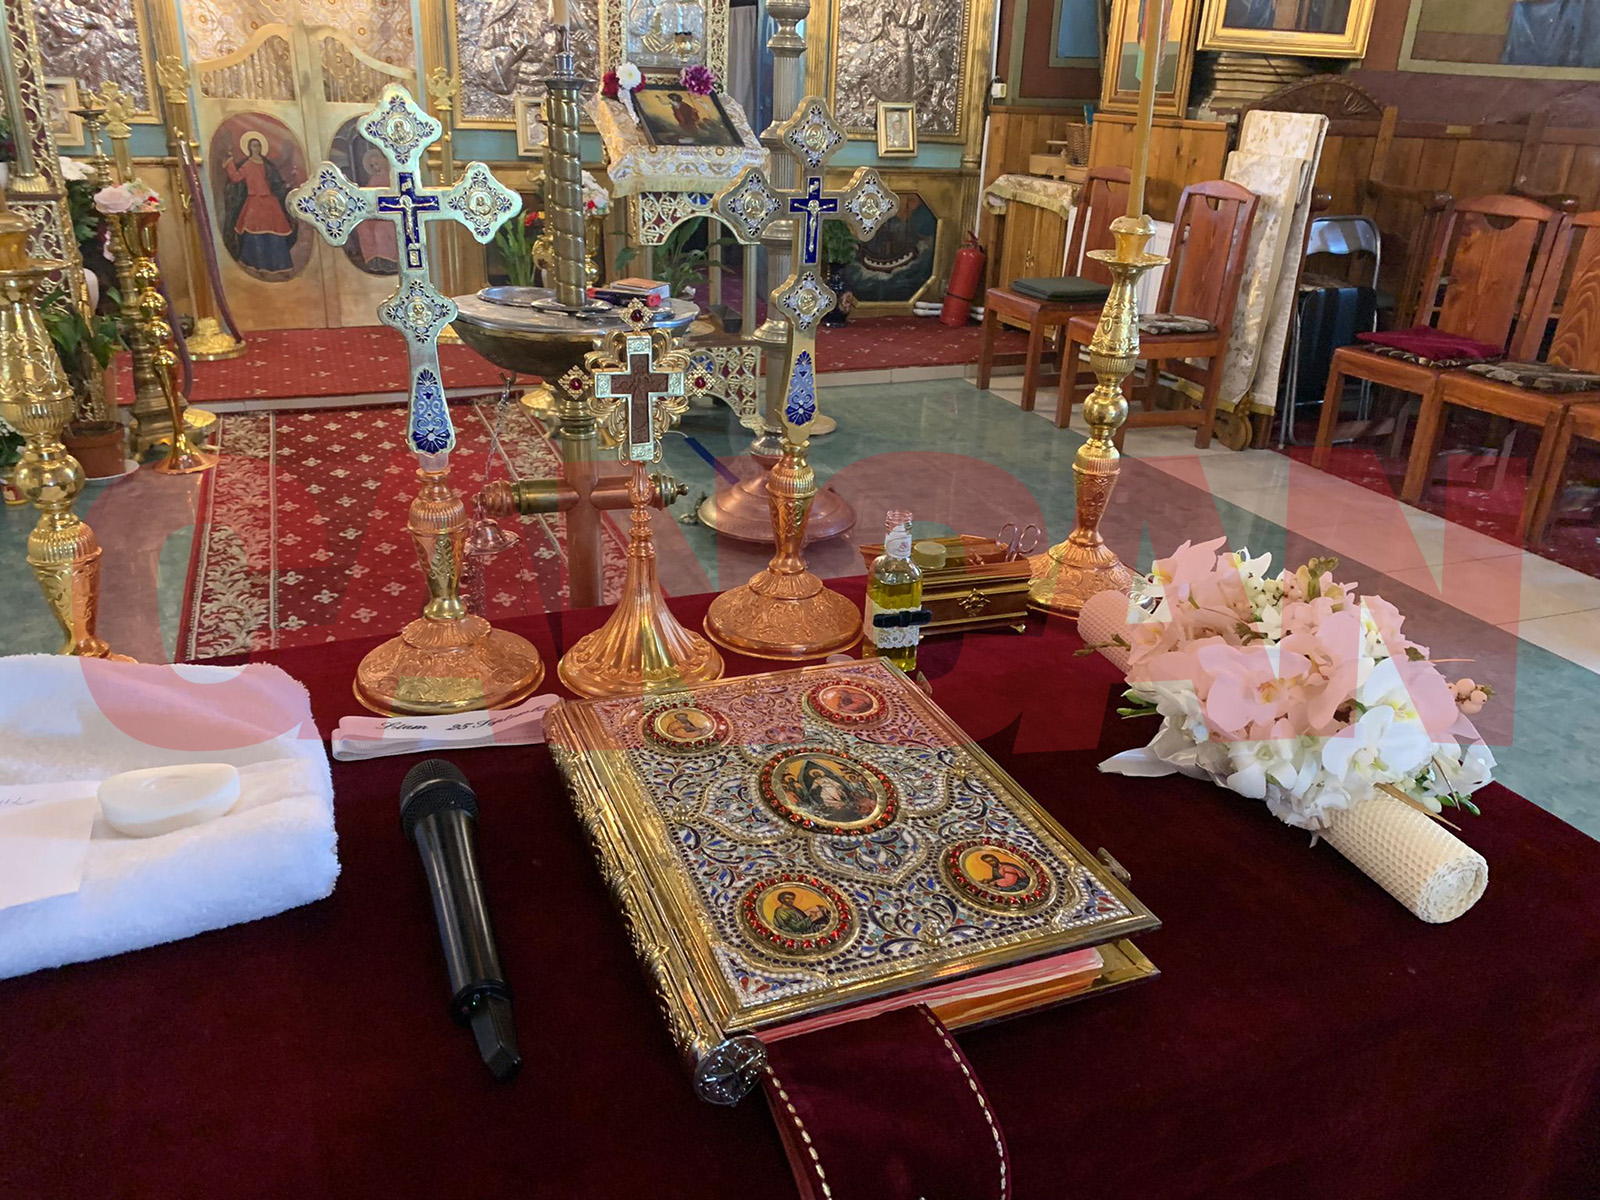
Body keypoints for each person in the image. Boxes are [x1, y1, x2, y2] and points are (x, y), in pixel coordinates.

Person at [222, 132, 298, 277]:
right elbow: (236, 178)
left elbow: (276, 182)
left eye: (258, 145)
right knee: (254, 235)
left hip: (270, 202)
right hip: (254, 202)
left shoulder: (267, 165)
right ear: (249, 148)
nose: (256, 148)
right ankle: (257, 266)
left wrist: (286, 186)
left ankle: (281, 267)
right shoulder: (248, 165)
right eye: (253, 146)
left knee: (276, 235)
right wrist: (230, 162)